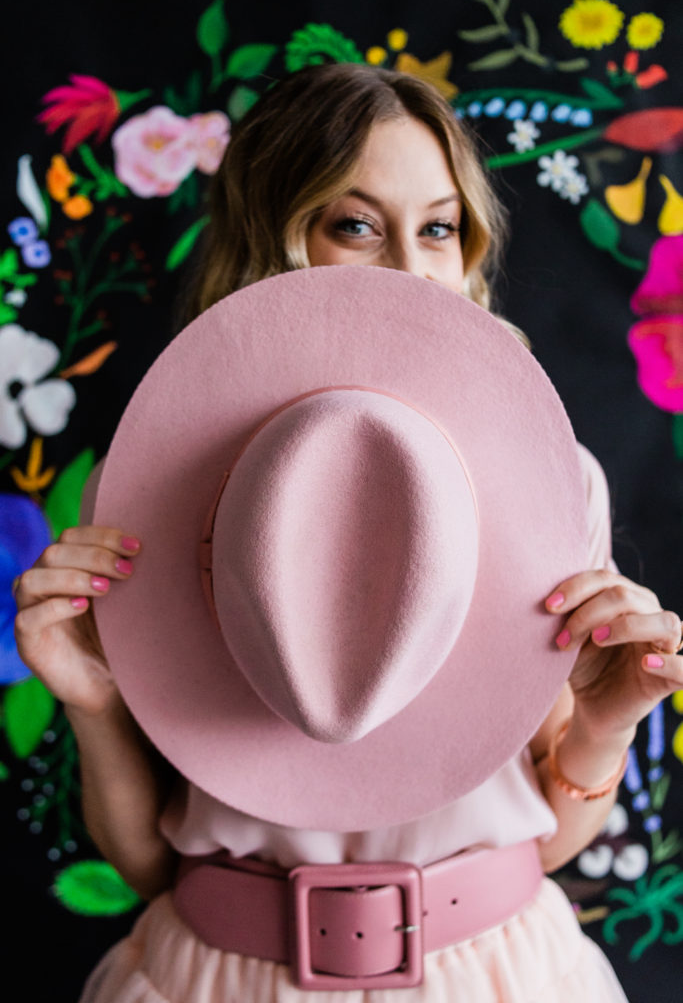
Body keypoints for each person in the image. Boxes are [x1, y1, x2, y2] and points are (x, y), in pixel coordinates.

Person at [13, 64, 683, 1002]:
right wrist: (91, 702)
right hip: (218, 977)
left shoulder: (550, 482)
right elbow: (147, 865)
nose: (413, 272)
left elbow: (545, 836)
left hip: (489, 972)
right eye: (357, 226)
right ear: (274, 242)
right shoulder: (151, 492)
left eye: (440, 228)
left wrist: (603, 728)